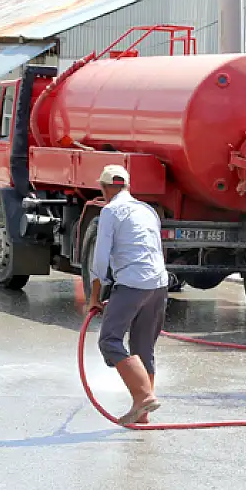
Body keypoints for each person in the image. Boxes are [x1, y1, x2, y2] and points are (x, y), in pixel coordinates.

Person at [88, 164, 169, 426]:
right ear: (128, 187)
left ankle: (144, 397)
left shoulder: (110, 211)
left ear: (103, 189)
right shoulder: (148, 210)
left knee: (109, 341)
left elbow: (100, 259)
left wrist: (95, 296)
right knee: (143, 347)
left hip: (132, 283)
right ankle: (142, 412)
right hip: (159, 284)